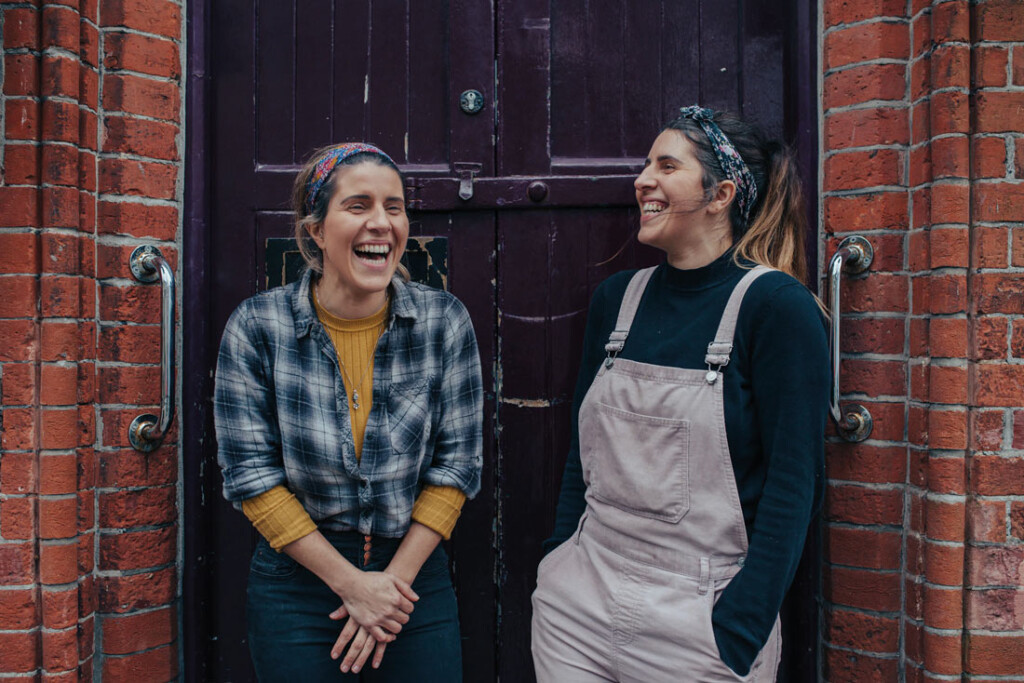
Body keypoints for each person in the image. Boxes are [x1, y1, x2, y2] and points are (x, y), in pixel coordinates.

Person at [531, 106, 830, 682]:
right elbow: (580, 453)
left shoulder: (776, 309)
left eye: (667, 165)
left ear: (720, 194)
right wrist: (557, 560)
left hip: (699, 622)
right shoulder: (617, 300)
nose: (643, 179)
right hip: (579, 602)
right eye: (647, 165)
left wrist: (739, 626)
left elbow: (797, 484)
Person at [214, 142, 483, 681]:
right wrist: (352, 585)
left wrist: (388, 590)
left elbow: (457, 466)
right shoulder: (258, 328)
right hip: (299, 580)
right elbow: (250, 476)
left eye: (394, 206)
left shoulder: (443, 322)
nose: (381, 223)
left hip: (412, 578)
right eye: (358, 206)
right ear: (315, 230)